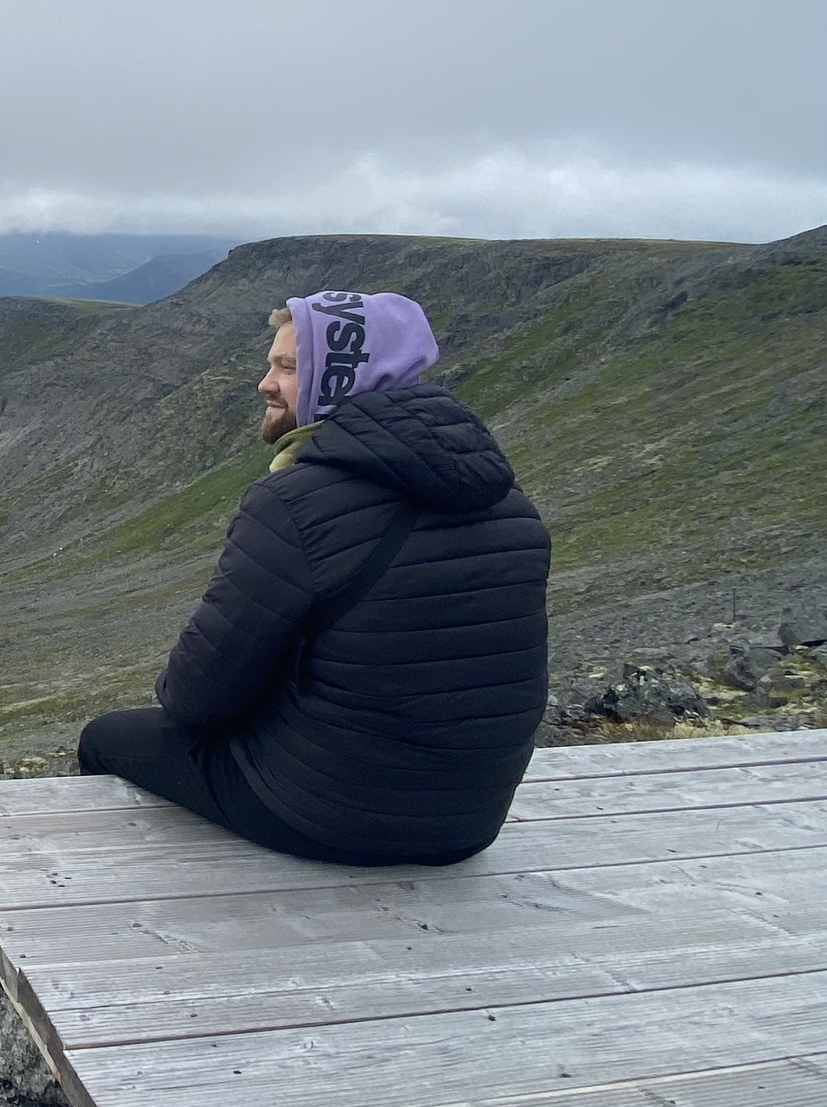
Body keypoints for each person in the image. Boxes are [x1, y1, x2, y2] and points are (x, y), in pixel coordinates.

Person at [77, 289, 550, 864]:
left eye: (288, 367)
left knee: (106, 741)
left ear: (340, 379)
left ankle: (150, 896)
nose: (265, 384)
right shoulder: (508, 501)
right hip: (469, 823)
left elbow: (196, 698)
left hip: (332, 818)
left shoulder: (297, 505)